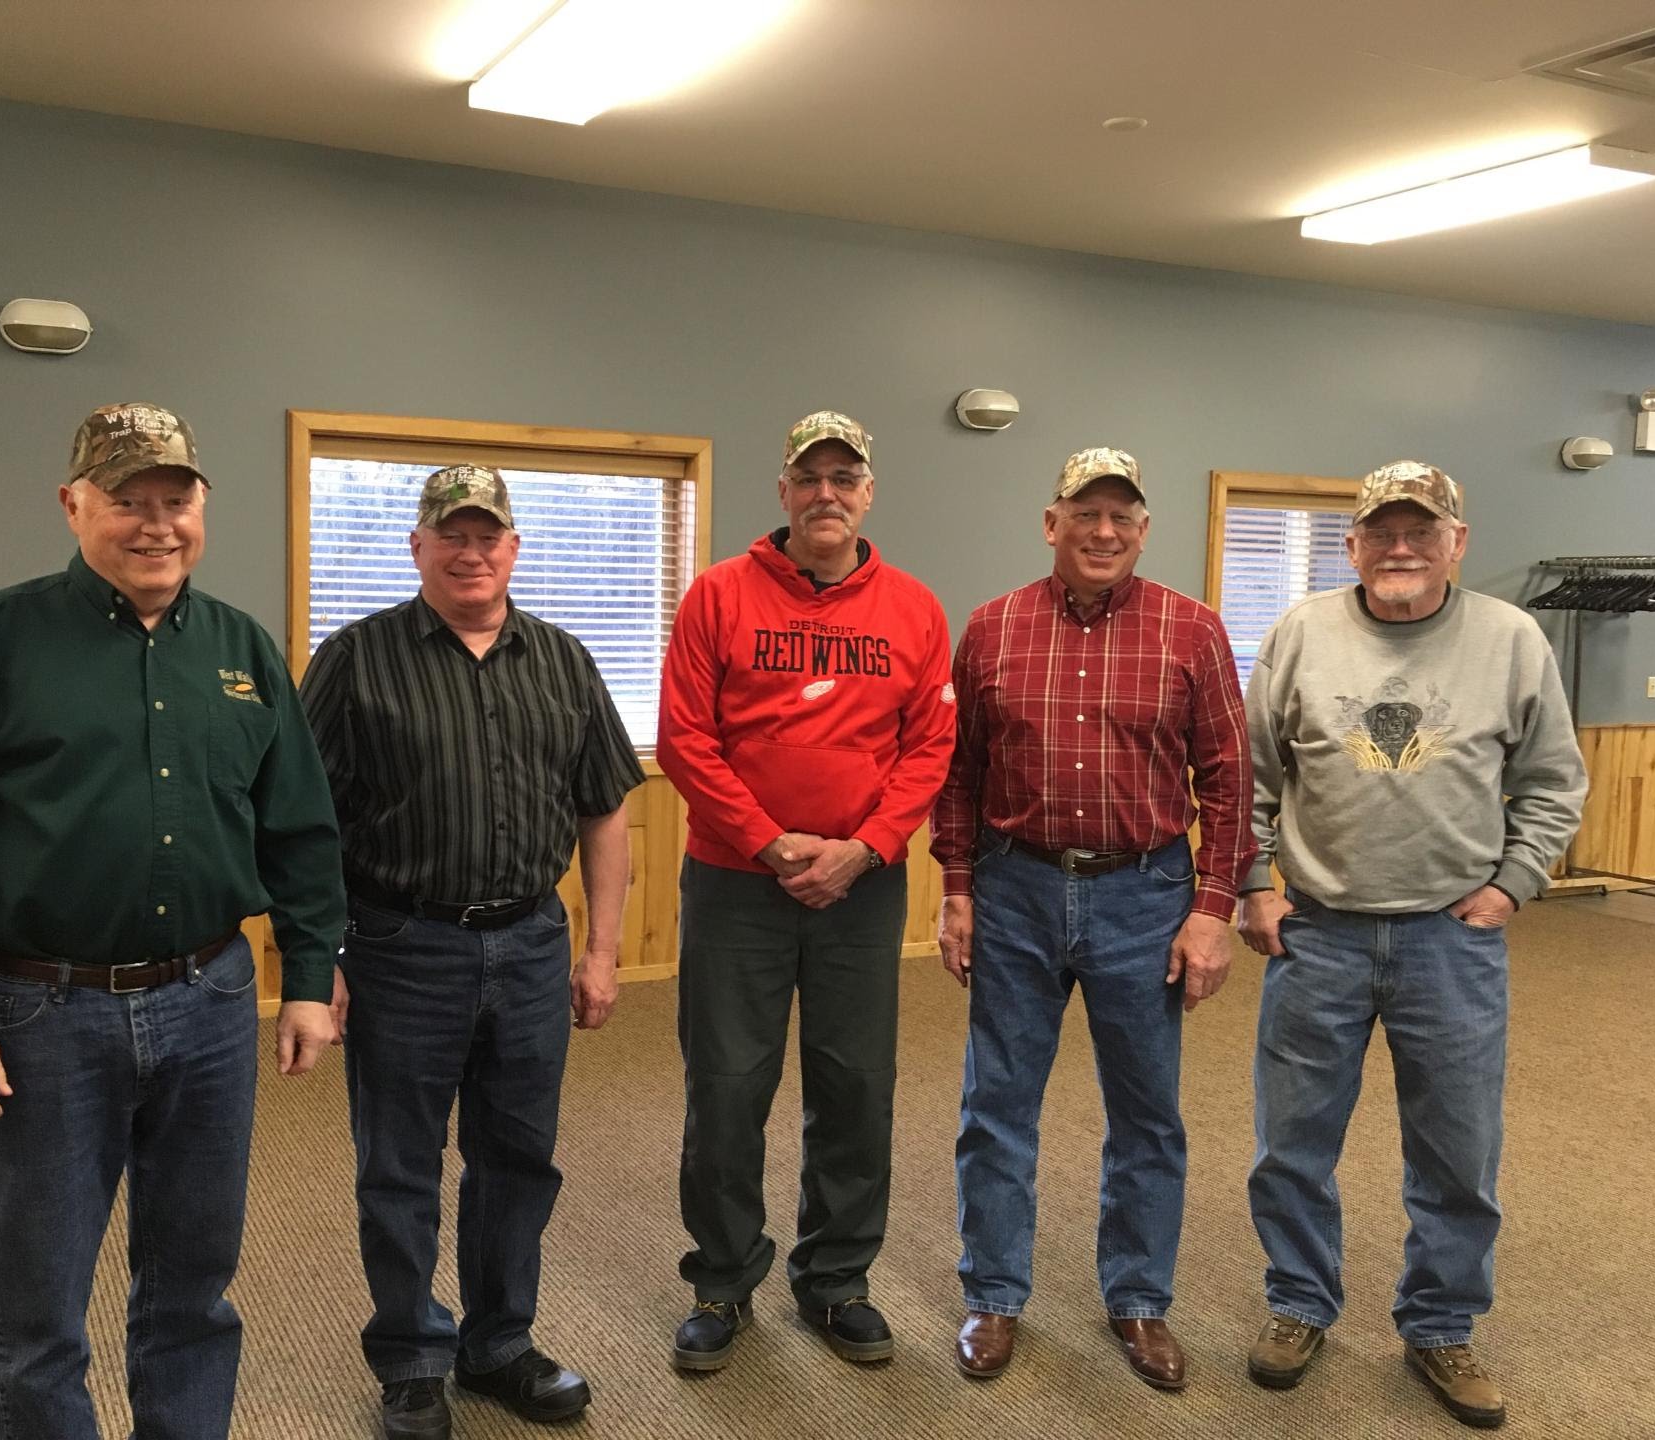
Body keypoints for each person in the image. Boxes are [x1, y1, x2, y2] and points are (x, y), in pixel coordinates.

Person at [0, 402, 346, 1440]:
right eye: (127, 500)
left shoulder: (242, 650)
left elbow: (301, 830)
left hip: (211, 1001)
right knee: (40, 1308)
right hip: (41, 1016)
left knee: (194, 1286)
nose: (154, 523)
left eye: (175, 499)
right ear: (73, 504)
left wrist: (309, 975)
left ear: (202, 506)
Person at [1237, 461, 1586, 1429]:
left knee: (1459, 1151)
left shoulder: (1510, 639)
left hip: (1450, 938)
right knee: (1293, 1145)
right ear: (1352, 544)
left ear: (1456, 543)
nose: (1401, 548)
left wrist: (1512, 886)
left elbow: (1556, 781)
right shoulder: (1302, 633)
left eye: (1421, 531)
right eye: (1382, 532)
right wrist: (1256, 883)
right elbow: (1250, 778)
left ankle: (1441, 1324)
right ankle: (1299, 1305)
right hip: (1319, 934)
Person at [299, 463, 644, 1440]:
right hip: (401, 944)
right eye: (451, 534)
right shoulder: (355, 660)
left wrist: (604, 951)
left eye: (488, 534)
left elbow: (604, 812)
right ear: (417, 547)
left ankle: (499, 1346)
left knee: (517, 1159)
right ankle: (412, 1360)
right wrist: (313, 954)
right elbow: (304, 821)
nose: (471, 551)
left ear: (514, 549)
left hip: (533, 942)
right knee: (400, 1165)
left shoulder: (565, 661)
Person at [932, 445, 1253, 1391]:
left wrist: (1211, 912)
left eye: (1121, 517)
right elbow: (959, 778)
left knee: (1147, 1116)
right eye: (1085, 514)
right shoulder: (992, 629)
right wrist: (957, 891)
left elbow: (1230, 784)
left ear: (1143, 530)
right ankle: (993, 1293)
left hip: (1144, 896)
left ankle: (1140, 1300)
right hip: (1014, 889)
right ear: (1051, 523)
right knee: (997, 1105)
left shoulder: (1192, 632)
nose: (1103, 532)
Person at [656, 409, 955, 1370]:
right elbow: (686, 740)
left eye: (845, 477)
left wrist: (863, 848)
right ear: (783, 490)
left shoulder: (913, 608)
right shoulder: (718, 596)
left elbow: (929, 748)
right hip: (736, 884)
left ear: (868, 493)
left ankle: (835, 1282)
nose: (827, 492)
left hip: (863, 891)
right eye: (809, 476)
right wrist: (770, 841)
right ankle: (722, 1280)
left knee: (856, 1088)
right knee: (728, 1086)